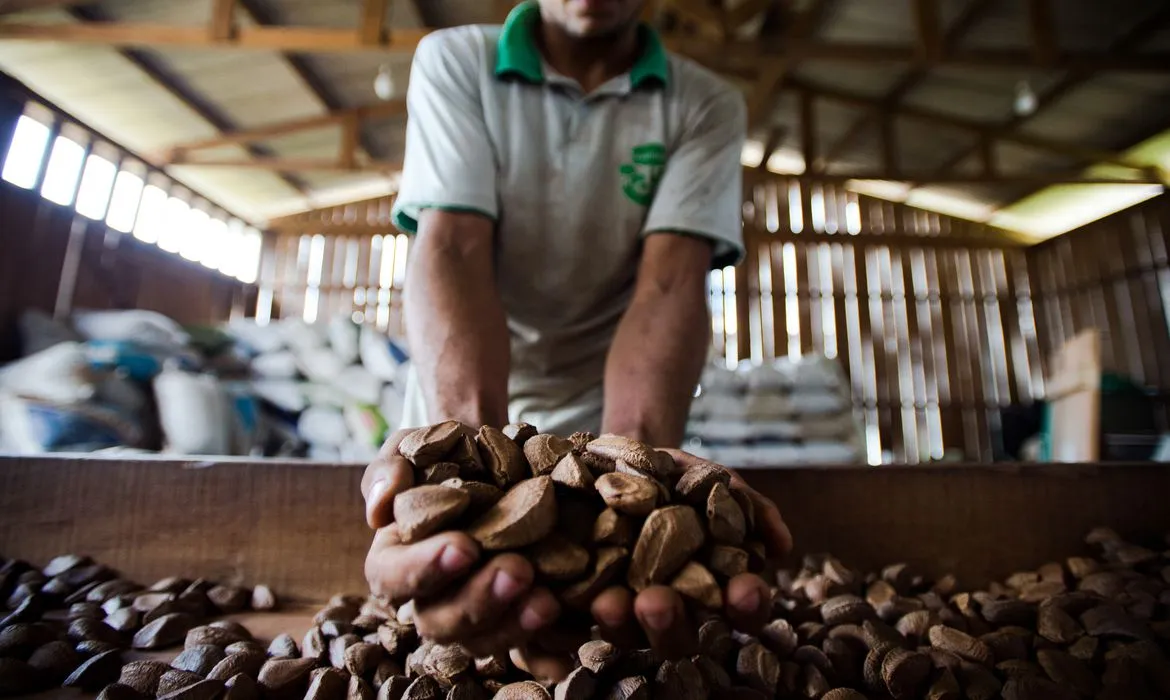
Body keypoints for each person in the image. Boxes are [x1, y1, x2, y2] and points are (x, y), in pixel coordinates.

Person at [362, 0, 792, 679]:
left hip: (614, 401)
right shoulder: (459, 62)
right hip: (464, 395)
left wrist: (633, 482)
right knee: (459, 622)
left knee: (612, 644)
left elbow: (669, 286)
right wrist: (476, 472)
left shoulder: (703, 102)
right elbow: (454, 248)